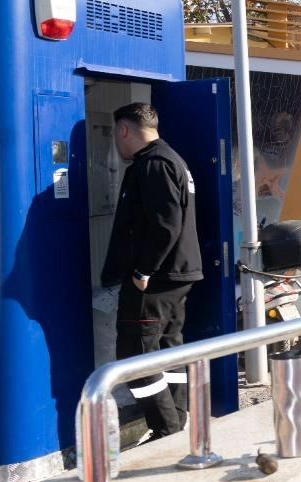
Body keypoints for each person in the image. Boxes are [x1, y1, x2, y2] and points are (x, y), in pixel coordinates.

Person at [100, 102, 203, 439]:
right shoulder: (173, 159)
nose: (116, 142)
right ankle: (177, 423)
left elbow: (165, 225)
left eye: (116, 134)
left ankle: (165, 429)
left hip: (155, 280)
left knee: (136, 355)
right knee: (170, 350)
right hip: (176, 276)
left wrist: (143, 271)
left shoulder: (154, 165)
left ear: (125, 130)